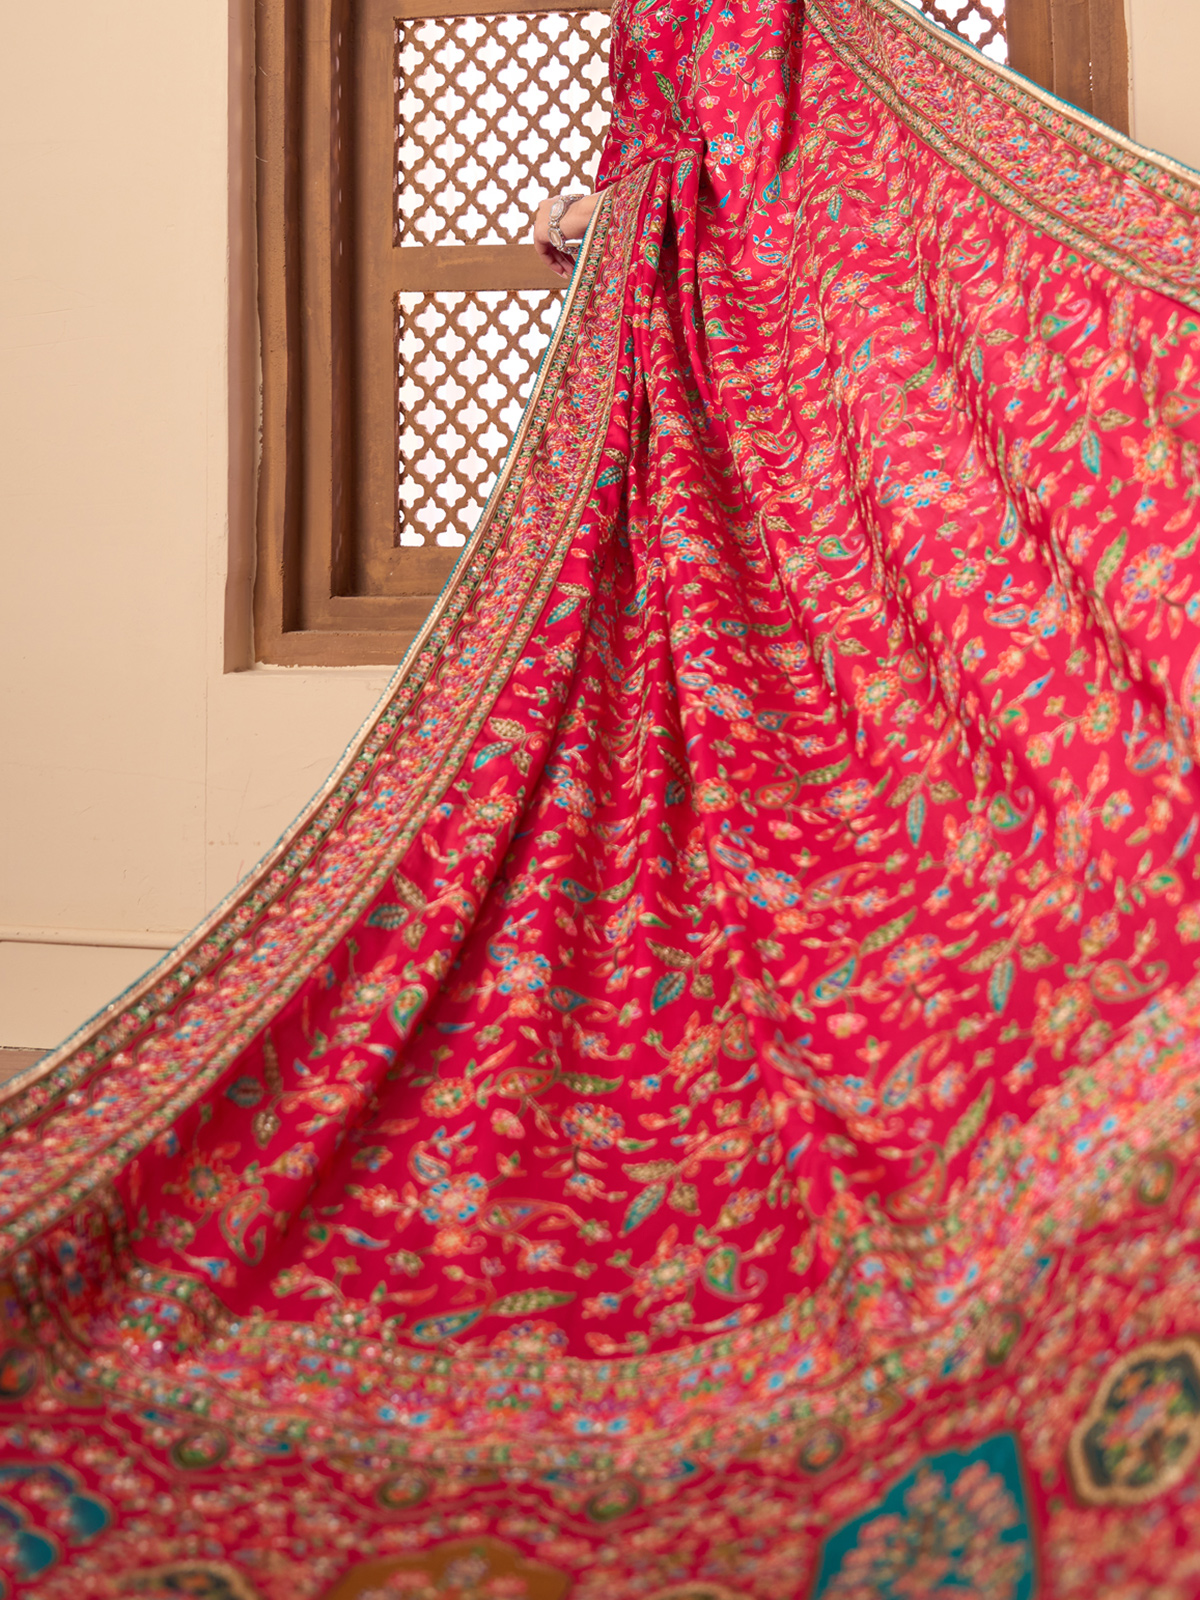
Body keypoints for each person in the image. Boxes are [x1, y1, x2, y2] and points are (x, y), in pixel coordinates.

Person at [4, 0, 1200, 1591]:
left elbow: (748, 130)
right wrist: (624, 214)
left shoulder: (751, 57)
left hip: (757, 320)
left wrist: (636, 212)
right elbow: (710, 129)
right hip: (722, 315)